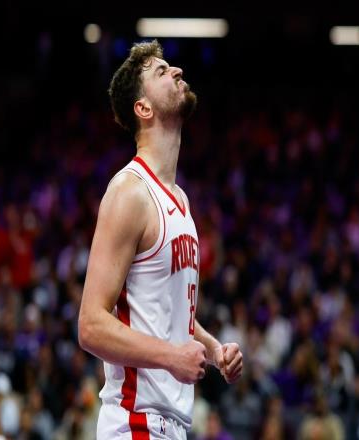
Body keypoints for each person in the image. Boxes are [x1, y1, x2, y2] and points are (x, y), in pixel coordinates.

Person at [78, 39, 243, 439]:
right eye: (162, 71)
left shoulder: (180, 199)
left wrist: (213, 349)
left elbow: (169, 316)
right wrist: (171, 357)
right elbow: (91, 325)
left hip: (171, 423)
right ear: (144, 108)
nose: (177, 71)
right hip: (135, 421)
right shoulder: (129, 192)